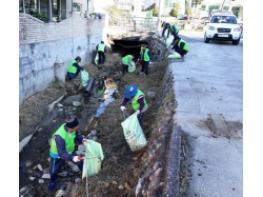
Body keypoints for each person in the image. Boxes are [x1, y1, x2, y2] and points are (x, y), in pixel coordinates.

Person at [48, 116, 86, 191]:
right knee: (54, 171)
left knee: (80, 161)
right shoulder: (59, 137)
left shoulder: (72, 128)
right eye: (76, 126)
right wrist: (72, 158)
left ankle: (85, 174)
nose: (78, 127)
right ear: (71, 128)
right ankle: (52, 185)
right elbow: (62, 153)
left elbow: (77, 134)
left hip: (69, 150)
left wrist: (82, 139)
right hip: (57, 155)